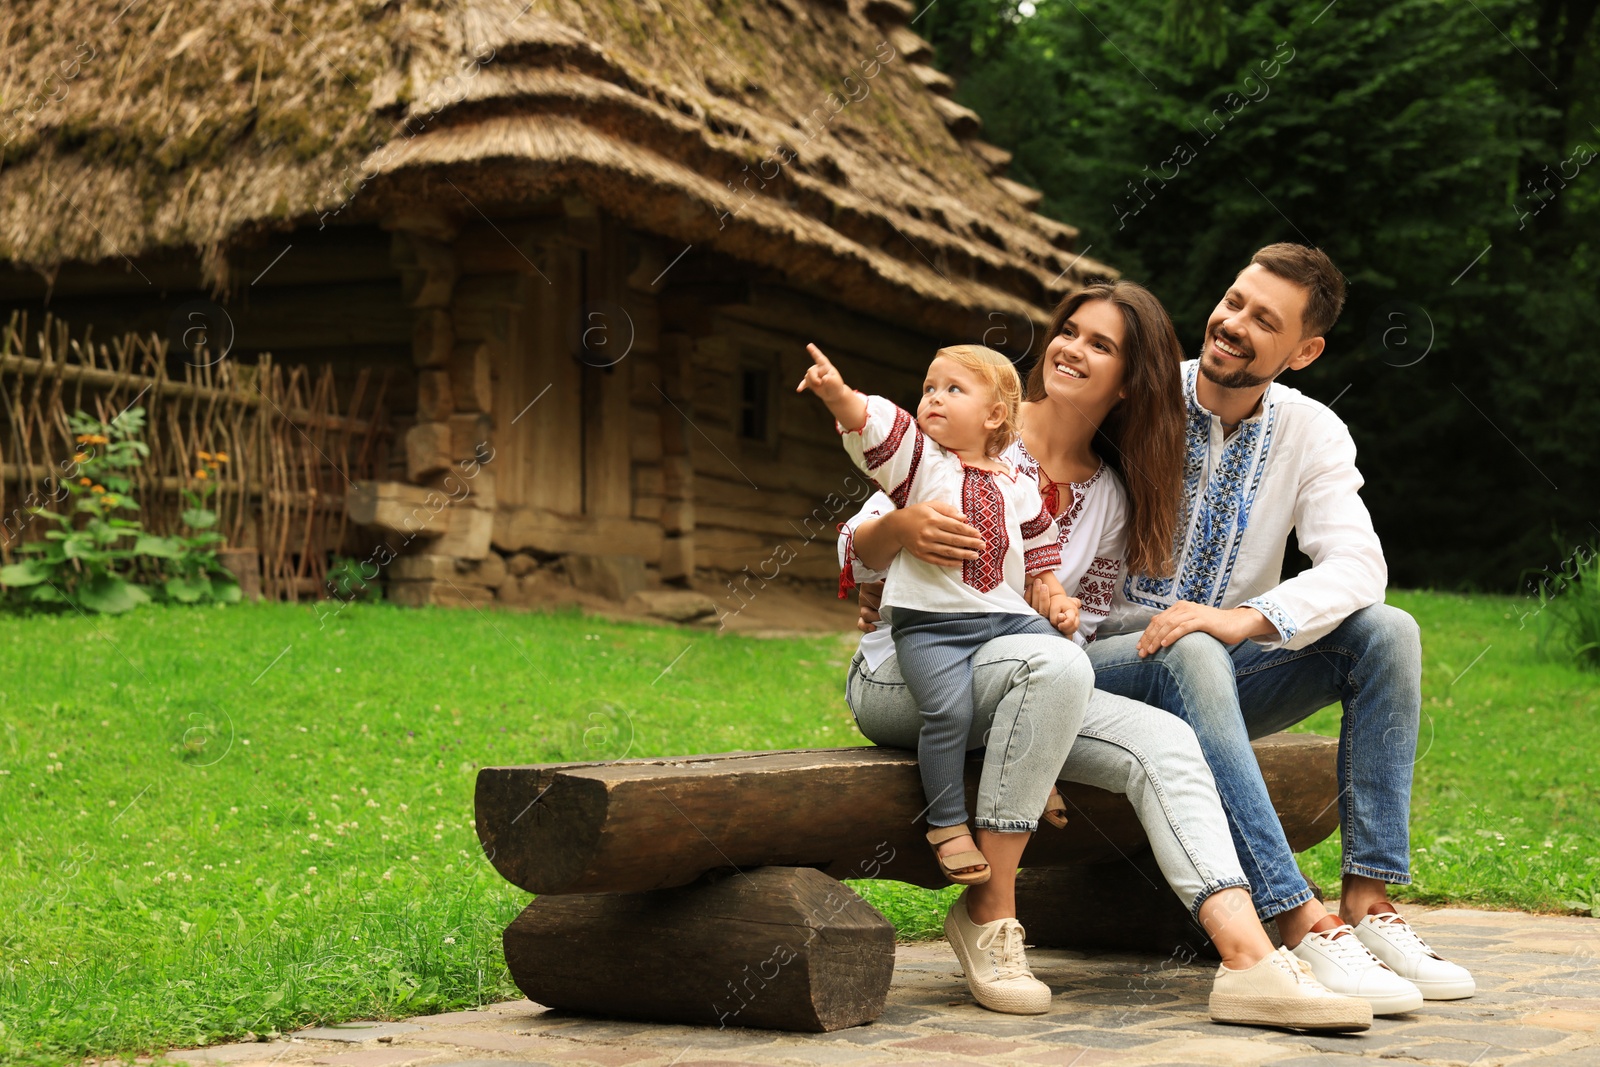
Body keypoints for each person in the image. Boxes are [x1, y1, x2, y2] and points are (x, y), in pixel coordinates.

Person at [841, 281, 1370, 1031]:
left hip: (1032, 683)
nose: (1070, 348)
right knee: (1056, 665)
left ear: (1130, 382)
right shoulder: (976, 424)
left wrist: (1047, 709)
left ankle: (1251, 960)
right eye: (1069, 331)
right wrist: (900, 531)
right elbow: (853, 550)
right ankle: (991, 910)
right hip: (905, 672)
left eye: (1100, 344)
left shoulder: (1111, 497)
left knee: (1167, 740)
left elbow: (1078, 631)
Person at [1087, 243, 1475, 1014]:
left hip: (1219, 677)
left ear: (1304, 351)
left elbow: (1361, 564)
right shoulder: (1136, 393)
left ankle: (1367, 902)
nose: (1232, 325)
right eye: (1233, 301)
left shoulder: (1313, 432)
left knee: (1387, 631)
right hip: (1105, 669)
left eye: (1263, 320)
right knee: (1190, 642)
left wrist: (1245, 619)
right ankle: (1299, 918)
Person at [798, 342, 1080, 891]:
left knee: (1064, 655)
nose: (933, 399)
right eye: (929, 387)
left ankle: (1036, 767)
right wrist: (839, 395)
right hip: (931, 625)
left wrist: (1053, 592)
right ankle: (946, 825)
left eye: (953, 389)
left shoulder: (1017, 482)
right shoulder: (920, 466)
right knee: (946, 714)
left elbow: (1040, 543)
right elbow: (879, 428)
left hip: (1001, 614)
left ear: (995, 414)